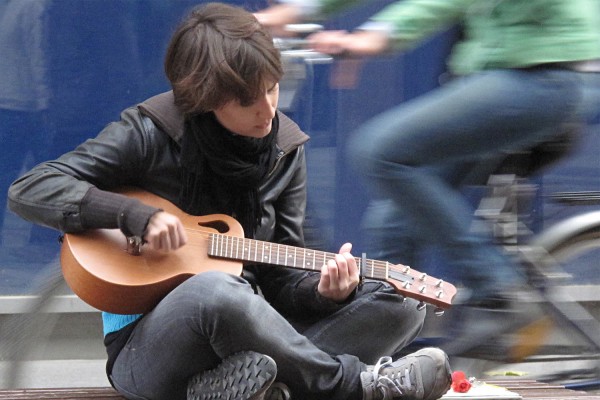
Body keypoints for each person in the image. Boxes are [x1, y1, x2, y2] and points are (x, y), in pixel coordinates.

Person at [8, 3, 452, 400]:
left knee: (399, 304)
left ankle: (254, 388)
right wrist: (134, 215)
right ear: (207, 95)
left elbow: (280, 280)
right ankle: (354, 387)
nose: (268, 110)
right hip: (150, 354)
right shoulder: (148, 133)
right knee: (216, 290)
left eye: (273, 89)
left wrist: (325, 295)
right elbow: (31, 188)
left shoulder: (284, 150)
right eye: (247, 99)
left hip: (259, 337)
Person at [257, 0, 600, 361]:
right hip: (504, 77)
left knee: (380, 151)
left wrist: (378, 35)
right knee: (394, 225)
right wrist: (300, 10)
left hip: (545, 77)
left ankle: (499, 291)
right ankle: (383, 356)